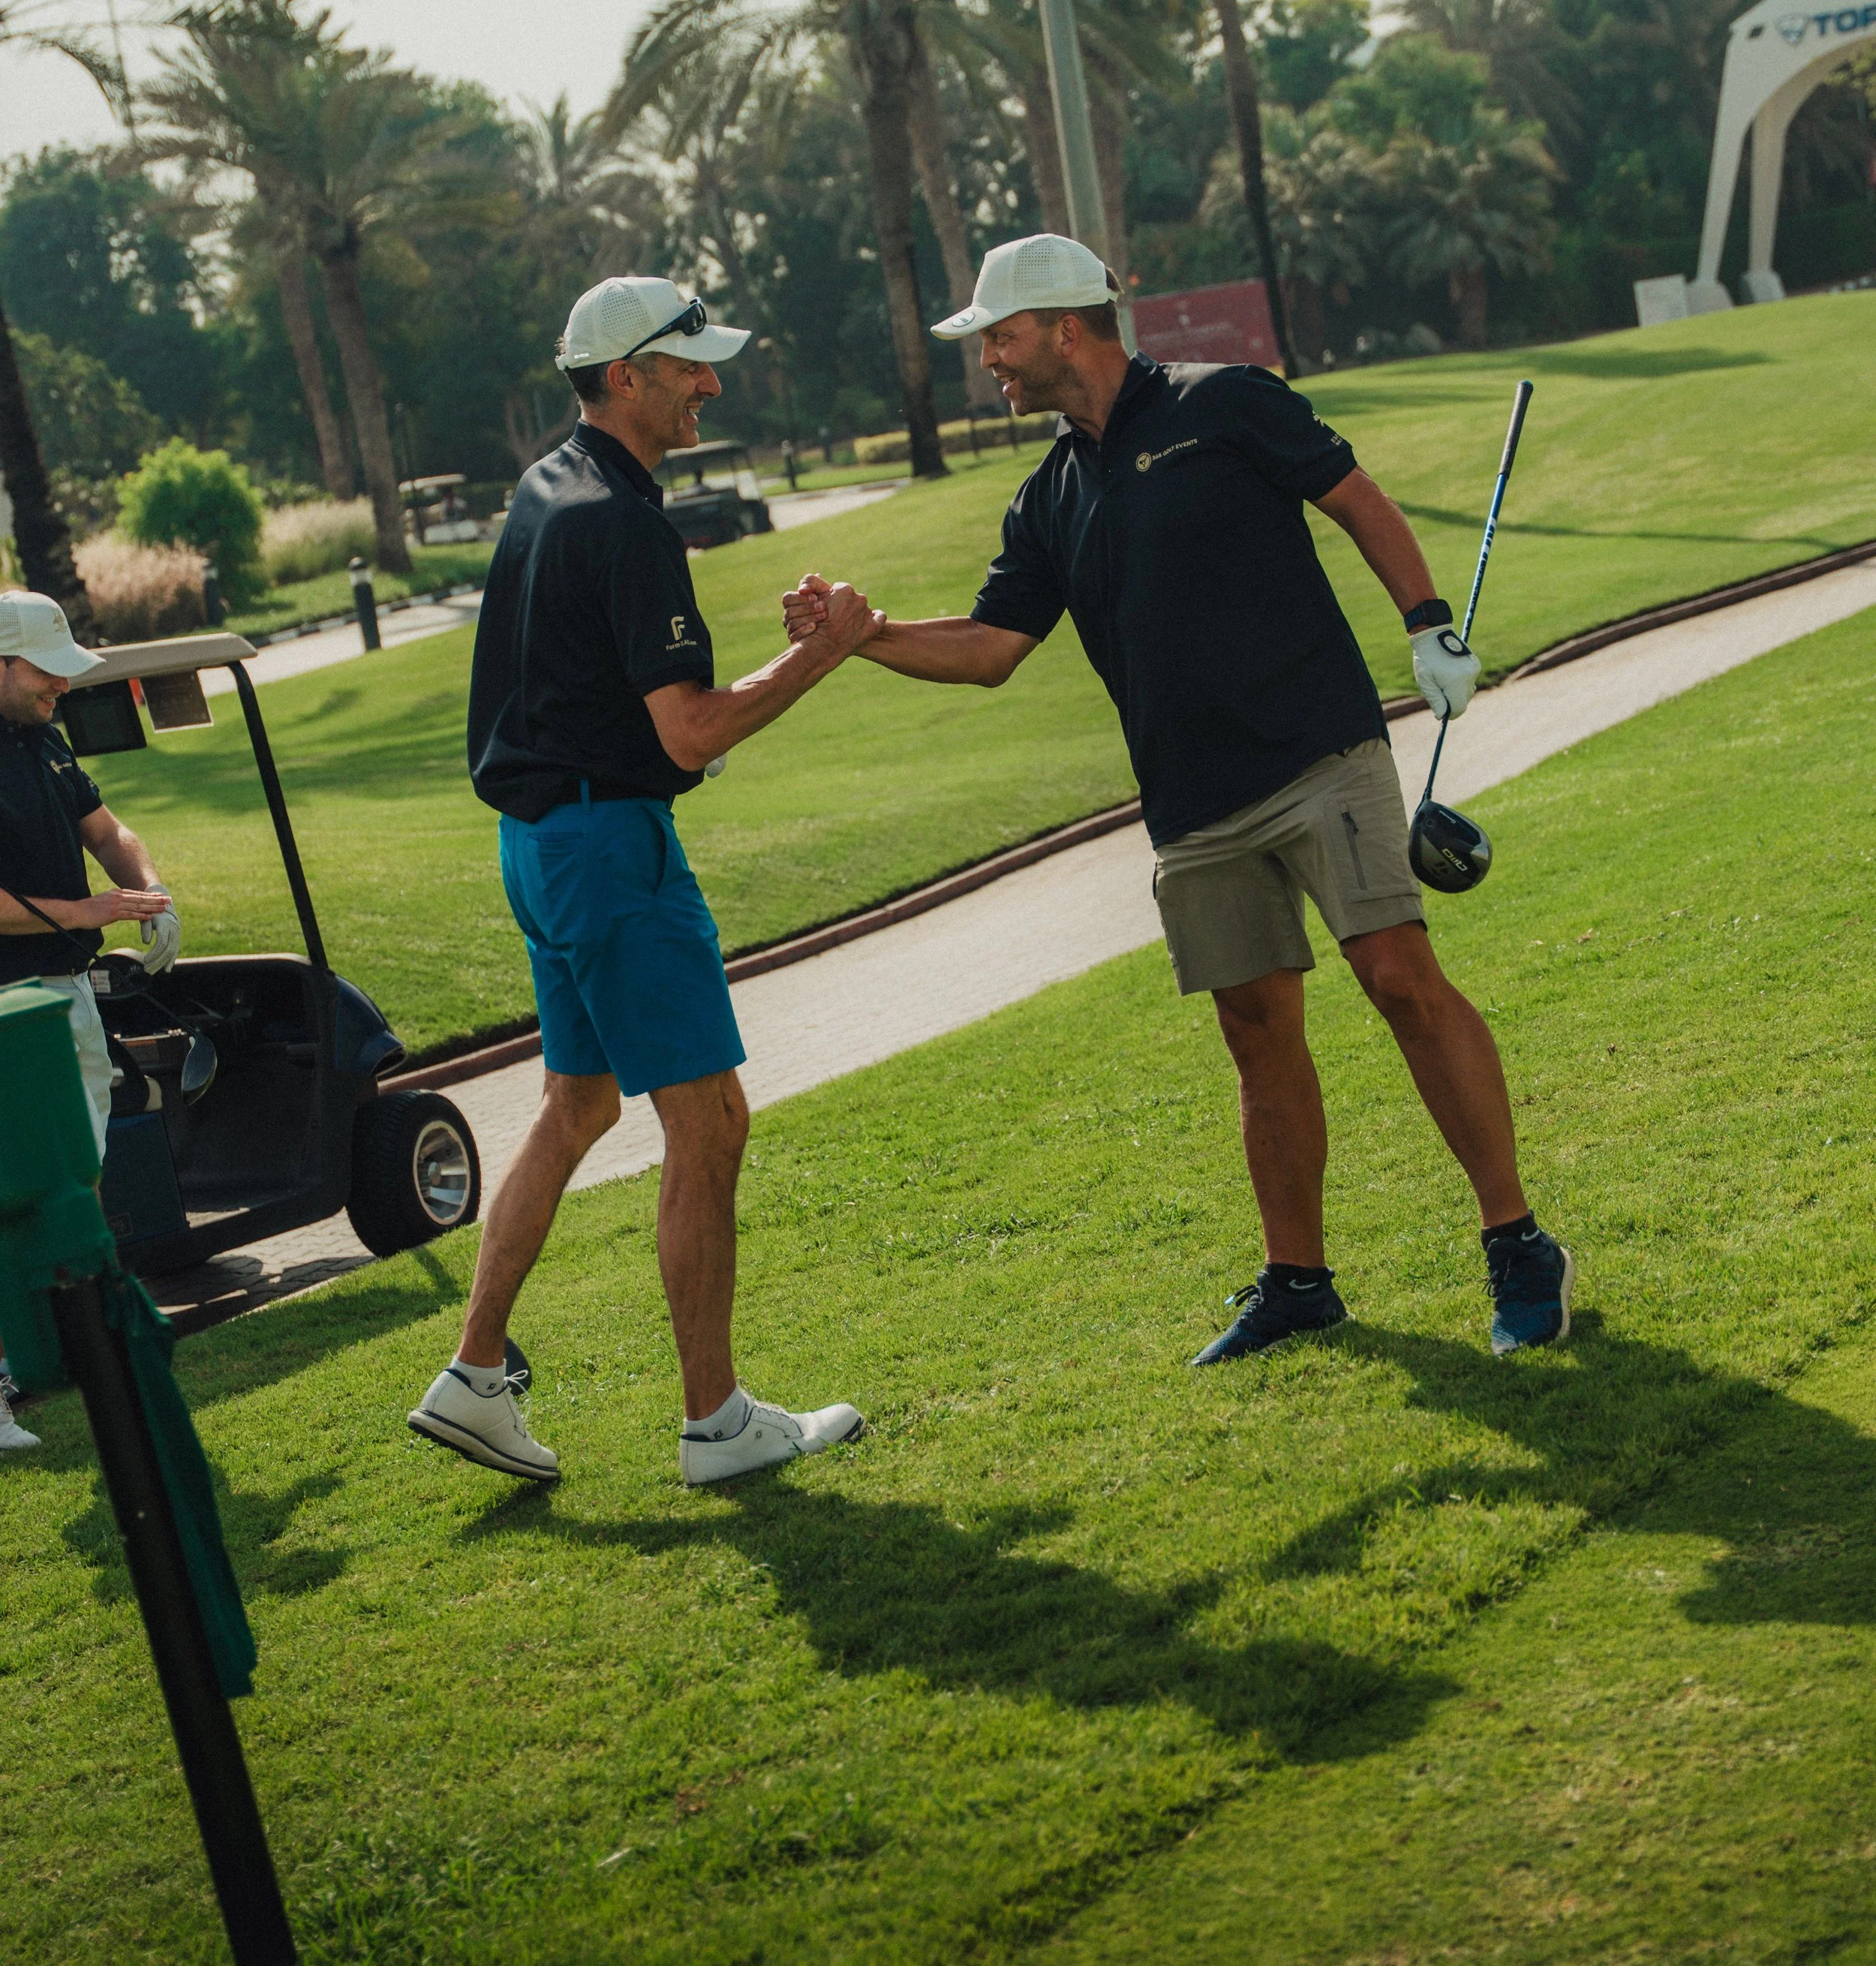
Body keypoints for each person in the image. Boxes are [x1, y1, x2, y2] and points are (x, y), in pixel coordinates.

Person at [784, 234, 1573, 1363]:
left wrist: (1426, 620)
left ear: (1064, 326)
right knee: (1256, 1031)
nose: (990, 363)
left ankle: (1518, 1242)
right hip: (1194, 804)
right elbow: (995, 645)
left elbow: (1356, 499)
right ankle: (1299, 1281)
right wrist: (868, 635)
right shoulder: (1049, 493)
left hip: (1318, 752)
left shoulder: (1228, 404)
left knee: (1399, 976)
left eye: (999, 338)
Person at [407, 276, 883, 1488]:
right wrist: (821, 655)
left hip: (537, 849)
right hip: (608, 850)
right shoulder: (624, 520)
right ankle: (716, 1424)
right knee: (708, 1117)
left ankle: (472, 1376)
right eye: (688, 367)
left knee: (578, 1105)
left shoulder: (545, 487)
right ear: (626, 375)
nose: (708, 384)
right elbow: (687, 732)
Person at [0, 590, 181, 1453]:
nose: (60, 688)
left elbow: (108, 831)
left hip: (60, 998)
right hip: (6, 1006)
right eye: (45, 673)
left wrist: (145, 885)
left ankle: (78, 1347)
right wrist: (83, 912)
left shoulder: (42, 738)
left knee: (76, 1177)